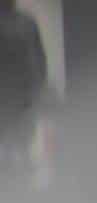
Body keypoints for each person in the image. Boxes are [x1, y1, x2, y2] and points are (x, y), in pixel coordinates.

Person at [0, 0, 47, 175]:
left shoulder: (25, 24)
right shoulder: (26, 24)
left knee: (17, 145)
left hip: (19, 101)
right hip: (21, 100)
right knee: (19, 145)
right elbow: (39, 64)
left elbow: (39, 64)